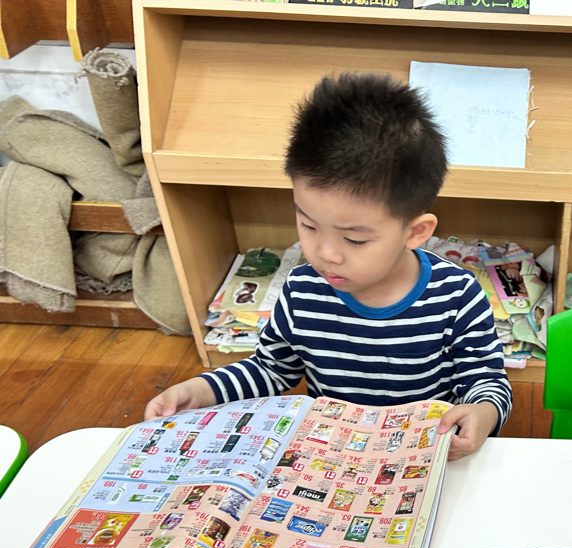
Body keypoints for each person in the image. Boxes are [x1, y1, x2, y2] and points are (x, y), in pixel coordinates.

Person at [144, 73, 512, 460]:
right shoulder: (303, 290)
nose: (325, 253)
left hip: (422, 455)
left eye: (354, 239)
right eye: (308, 225)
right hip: (330, 456)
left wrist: (483, 413)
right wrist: (200, 391)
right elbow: (271, 369)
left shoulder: (456, 296)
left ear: (415, 232)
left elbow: (485, 379)